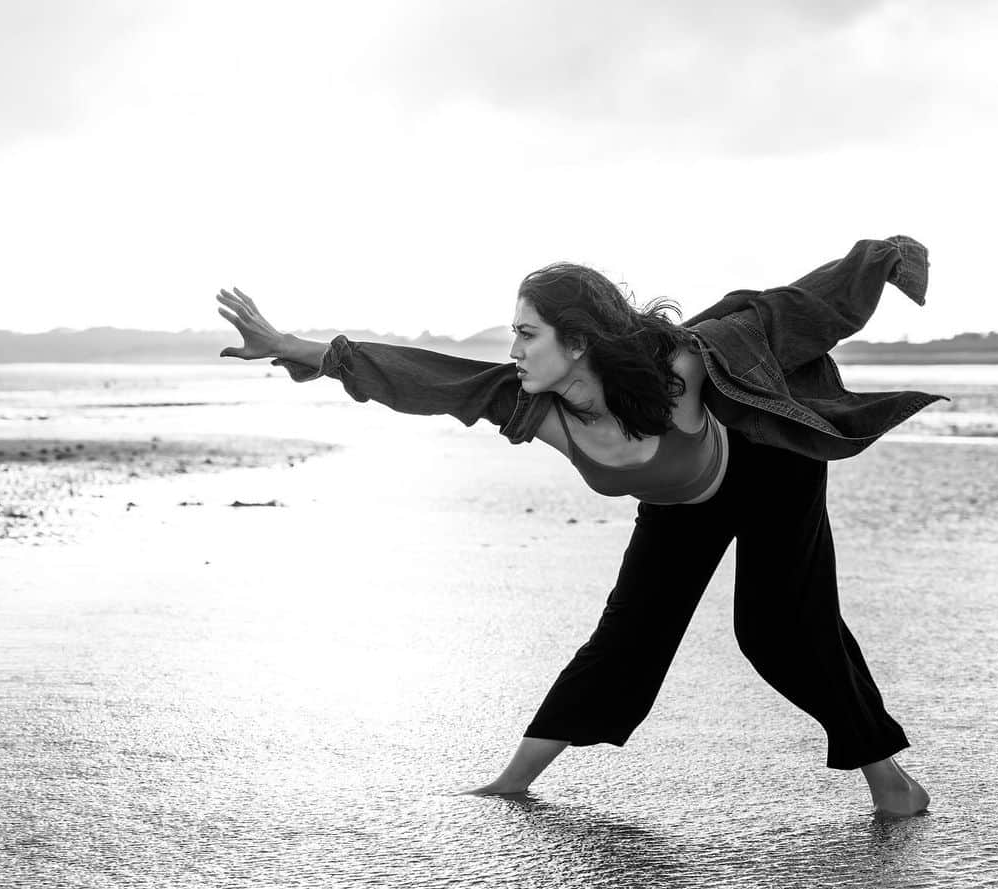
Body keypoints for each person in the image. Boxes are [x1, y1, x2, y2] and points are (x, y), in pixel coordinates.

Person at [216, 237, 941, 817]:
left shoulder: (685, 364)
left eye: (527, 333)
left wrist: (883, 259)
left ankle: (890, 782)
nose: (513, 350)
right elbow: (423, 377)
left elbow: (792, 310)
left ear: (578, 342)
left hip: (767, 462)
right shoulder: (534, 404)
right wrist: (287, 345)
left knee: (778, 627)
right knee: (624, 641)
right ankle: (512, 780)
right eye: (513, 333)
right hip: (679, 501)